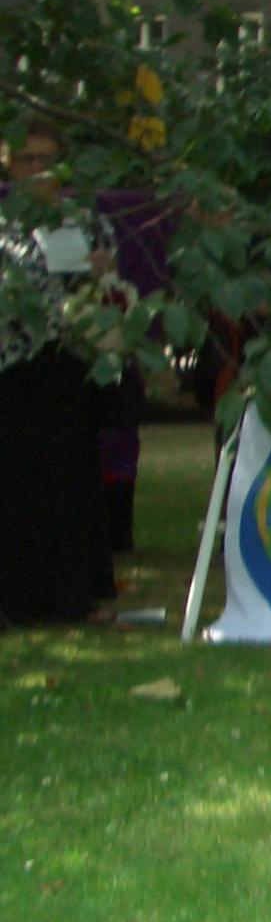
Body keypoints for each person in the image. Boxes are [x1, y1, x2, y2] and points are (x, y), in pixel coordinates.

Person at [0, 122, 115, 622]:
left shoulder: (85, 222)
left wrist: (101, 271)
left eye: (48, 159)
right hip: (13, 365)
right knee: (18, 482)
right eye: (28, 159)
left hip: (70, 367)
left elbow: (113, 287)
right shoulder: (5, 222)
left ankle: (73, 595)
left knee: (69, 483)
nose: (38, 169)